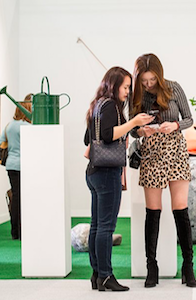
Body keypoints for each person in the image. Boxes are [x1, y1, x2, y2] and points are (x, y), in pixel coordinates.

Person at [129, 53, 196, 288]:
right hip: (151, 152)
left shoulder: (173, 88)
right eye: (144, 81)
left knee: (181, 209)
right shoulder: (137, 95)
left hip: (176, 149)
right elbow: (131, 129)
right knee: (153, 211)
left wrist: (176, 125)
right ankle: (152, 266)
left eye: (151, 80)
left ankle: (188, 266)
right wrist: (141, 130)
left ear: (159, 74)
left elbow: (189, 118)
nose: (148, 84)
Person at [84, 67, 154, 292]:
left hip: (94, 171)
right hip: (107, 172)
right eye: (125, 87)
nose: (127, 91)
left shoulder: (96, 105)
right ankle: (105, 275)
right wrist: (133, 123)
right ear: (114, 86)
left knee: (97, 225)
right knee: (105, 227)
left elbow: (89, 137)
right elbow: (107, 135)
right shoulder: (112, 106)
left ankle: (97, 275)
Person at [0, 94, 32, 240]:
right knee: (25, 197)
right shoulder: (29, 127)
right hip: (25, 166)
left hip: (11, 165)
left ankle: (14, 232)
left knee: (16, 197)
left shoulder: (9, 126)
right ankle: (24, 230)